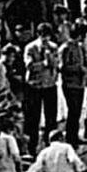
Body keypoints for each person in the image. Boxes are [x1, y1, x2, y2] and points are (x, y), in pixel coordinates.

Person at [21, 24, 60, 154]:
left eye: (47, 36)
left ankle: (50, 144)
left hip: (49, 85)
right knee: (33, 117)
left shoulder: (53, 47)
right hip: (35, 86)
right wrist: (43, 63)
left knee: (51, 116)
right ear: (38, 35)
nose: (45, 39)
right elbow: (29, 66)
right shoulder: (30, 48)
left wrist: (51, 60)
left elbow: (57, 63)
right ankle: (32, 147)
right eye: (43, 36)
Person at [59, 23, 87, 145]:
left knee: (77, 112)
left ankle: (74, 136)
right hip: (70, 84)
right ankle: (70, 137)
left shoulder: (80, 47)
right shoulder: (66, 48)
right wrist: (79, 69)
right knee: (73, 111)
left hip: (80, 83)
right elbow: (63, 67)